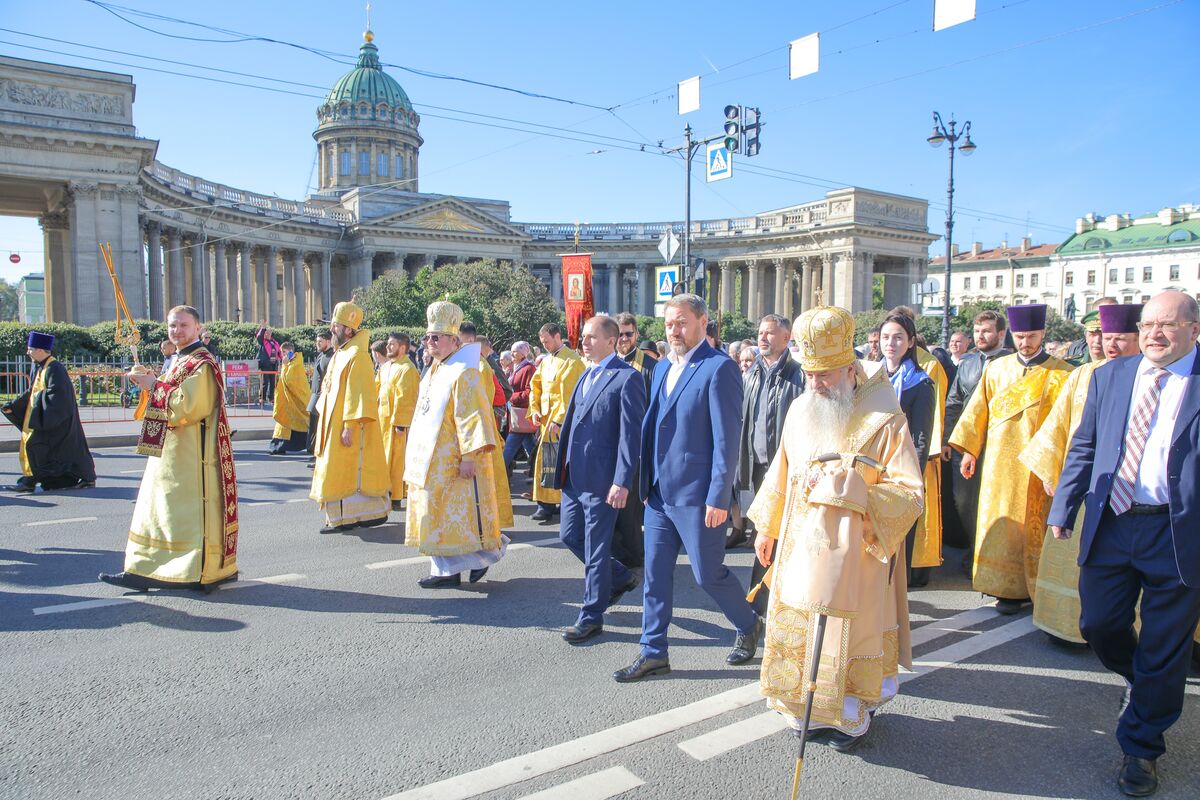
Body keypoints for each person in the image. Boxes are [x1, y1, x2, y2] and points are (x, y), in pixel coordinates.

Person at [746, 305, 924, 751]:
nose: (815, 384)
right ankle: (801, 706)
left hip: (855, 553)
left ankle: (847, 713)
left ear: (849, 367)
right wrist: (766, 529)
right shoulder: (803, 408)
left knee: (846, 633)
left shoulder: (885, 417)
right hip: (797, 548)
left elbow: (909, 492)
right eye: (810, 374)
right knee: (803, 626)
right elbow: (779, 474)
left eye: (825, 374)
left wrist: (858, 496)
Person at [1048, 291, 1200, 798]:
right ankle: (1147, 688)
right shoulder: (1111, 375)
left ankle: (1141, 747)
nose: (1156, 333)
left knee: (1164, 645)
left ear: (1194, 329)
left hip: (1177, 532)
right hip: (1113, 521)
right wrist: (1063, 508)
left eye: (1169, 325)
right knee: (1099, 623)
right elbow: (1085, 443)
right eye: (1149, 323)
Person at [613, 294, 761, 683]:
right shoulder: (661, 368)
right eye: (668, 324)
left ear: (702, 322)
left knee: (706, 574)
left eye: (681, 322)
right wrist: (645, 481)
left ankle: (748, 622)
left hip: (698, 496)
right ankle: (653, 651)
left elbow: (726, 440)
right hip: (659, 494)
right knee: (655, 575)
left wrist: (718, 497)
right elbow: (653, 424)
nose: (674, 330)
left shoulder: (720, 369)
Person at [1019, 303, 1142, 647]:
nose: (1109, 344)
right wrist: (1053, 473)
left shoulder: (1153, 376)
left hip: (1136, 490)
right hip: (1087, 487)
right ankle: (1066, 627)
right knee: (1076, 559)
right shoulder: (1083, 375)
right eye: (1104, 336)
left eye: (1118, 337)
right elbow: (1062, 429)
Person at [99, 305, 238, 591]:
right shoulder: (178, 359)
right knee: (157, 510)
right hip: (168, 453)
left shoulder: (202, 363)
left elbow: (190, 407)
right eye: (172, 326)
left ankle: (194, 571)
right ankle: (143, 567)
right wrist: (151, 382)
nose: (177, 331)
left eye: (183, 325)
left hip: (191, 458)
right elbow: (168, 395)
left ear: (198, 328)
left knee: (179, 515)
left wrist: (155, 386)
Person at [948, 304, 1072, 613]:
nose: (1025, 342)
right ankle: (1003, 587)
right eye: (1020, 336)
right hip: (999, 466)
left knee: (1036, 526)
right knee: (1001, 525)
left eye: (1031, 336)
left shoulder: (1063, 373)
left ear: (1043, 334)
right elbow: (977, 412)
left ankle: (1036, 586)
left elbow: (1068, 423)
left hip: (1039, 465)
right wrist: (969, 451)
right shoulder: (996, 369)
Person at [554, 315, 647, 642]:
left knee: (595, 549)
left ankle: (591, 614)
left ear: (611, 341)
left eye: (592, 337)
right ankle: (619, 575)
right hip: (574, 478)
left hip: (603, 480)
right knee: (569, 536)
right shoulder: (586, 374)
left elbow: (629, 436)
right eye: (584, 336)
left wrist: (622, 480)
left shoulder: (627, 379)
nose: (584, 342)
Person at [404, 300, 508, 587]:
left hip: (454, 460)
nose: (429, 342)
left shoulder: (464, 371)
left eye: (435, 338)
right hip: (431, 459)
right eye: (427, 338)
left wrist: (470, 456)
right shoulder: (435, 369)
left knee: (458, 517)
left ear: (453, 340)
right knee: (436, 515)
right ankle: (446, 570)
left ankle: (466, 564)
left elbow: (471, 414)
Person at [736, 314, 805, 605]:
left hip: (786, 469)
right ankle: (766, 599)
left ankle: (760, 601)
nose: (763, 338)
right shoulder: (751, 374)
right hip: (756, 467)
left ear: (787, 339)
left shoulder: (800, 375)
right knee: (762, 534)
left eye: (770, 334)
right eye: (761, 332)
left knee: (778, 535)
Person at [309, 302, 390, 533]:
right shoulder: (341, 353)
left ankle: (356, 516)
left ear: (348, 329)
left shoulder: (358, 356)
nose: (331, 330)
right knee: (336, 470)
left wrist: (350, 426)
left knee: (349, 471)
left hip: (347, 427)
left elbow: (358, 393)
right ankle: (340, 516)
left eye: (335, 326)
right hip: (331, 423)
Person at [941, 310, 1013, 562]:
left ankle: (991, 555)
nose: (981, 336)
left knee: (994, 498)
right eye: (977, 331)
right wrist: (948, 438)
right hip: (965, 443)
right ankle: (974, 549)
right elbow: (954, 402)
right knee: (964, 501)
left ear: (1001, 333)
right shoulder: (968, 363)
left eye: (987, 331)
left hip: (998, 443)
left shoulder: (1012, 363)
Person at [879, 314, 936, 587]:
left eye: (899, 337)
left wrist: (913, 477)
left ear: (911, 341)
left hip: (900, 471)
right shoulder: (870, 377)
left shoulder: (921, 384)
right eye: (886, 337)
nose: (891, 343)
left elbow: (921, 436)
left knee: (898, 541)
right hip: (873, 468)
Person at [2, 331, 96, 492]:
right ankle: (31, 480)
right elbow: (32, 392)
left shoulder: (55, 368)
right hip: (44, 417)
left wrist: (39, 411)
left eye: (30, 349)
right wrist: (14, 406)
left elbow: (58, 396)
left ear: (40, 350)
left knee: (38, 447)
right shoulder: (39, 367)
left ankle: (30, 481)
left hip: (55, 420)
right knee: (45, 450)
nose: (28, 352)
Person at [612, 313, 656, 570]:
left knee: (630, 506)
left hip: (639, 445)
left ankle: (633, 556)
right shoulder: (608, 364)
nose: (624, 339)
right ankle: (619, 551)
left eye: (628, 334)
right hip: (613, 446)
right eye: (619, 334)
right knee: (615, 503)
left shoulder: (650, 367)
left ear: (636, 335)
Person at [529, 322, 585, 523]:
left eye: (547, 341)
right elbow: (535, 386)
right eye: (542, 342)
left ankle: (562, 503)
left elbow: (570, 395)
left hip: (561, 422)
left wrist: (560, 420)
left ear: (557, 336)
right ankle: (544, 504)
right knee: (544, 463)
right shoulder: (545, 362)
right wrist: (534, 409)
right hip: (545, 420)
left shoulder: (573, 361)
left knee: (559, 462)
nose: (544, 345)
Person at [377, 333, 419, 511]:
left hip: (396, 424)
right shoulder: (386, 367)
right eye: (388, 344)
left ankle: (395, 495)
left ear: (402, 348)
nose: (388, 347)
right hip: (381, 420)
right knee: (383, 459)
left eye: (392, 345)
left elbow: (405, 398)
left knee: (396, 460)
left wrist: (400, 424)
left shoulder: (407, 369)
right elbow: (376, 389)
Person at [268, 341, 311, 455]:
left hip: (296, 400)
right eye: (281, 352)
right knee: (284, 422)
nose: (282, 355)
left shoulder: (295, 363)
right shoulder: (290, 363)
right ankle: (279, 446)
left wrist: (284, 365)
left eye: (284, 352)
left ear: (291, 352)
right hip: (287, 400)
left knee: (297, 421)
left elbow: (289, 380)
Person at [503, 341, 538, 473]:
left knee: (509, 449)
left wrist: (511, 397)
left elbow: (530, 392)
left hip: (522, 413)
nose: (512, 353)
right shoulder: (515, 367)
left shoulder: (529, 368)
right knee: (531, 446)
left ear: (523, 353)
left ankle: (499, 475)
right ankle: (538, 474)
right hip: (518, 415)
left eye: (515, 351)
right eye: (511, 351)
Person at [306, 331, 333, 463]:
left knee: (318, 426)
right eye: (317, 342)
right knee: (313, 425)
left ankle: (317, 453)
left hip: (322, 395)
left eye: (320, 342)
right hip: (315, 395)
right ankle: (313, 450)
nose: (317, 344)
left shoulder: (332, 356)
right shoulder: (321, 355)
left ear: (328, 342)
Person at [1066, 296, 1117, 364]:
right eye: (1092, 334)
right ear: (1086, 335)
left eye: (1103, 335)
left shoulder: (1125, 364)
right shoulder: (1072, 365)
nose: (1097, 340)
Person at [255, 322, 281, 403]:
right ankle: (262, 398)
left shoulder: (275, 342)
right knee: (264, 382)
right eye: (266, 333)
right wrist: (262, 328)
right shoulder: (263, 342)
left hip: (273, 365)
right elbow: (259, 337)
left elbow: (279, 352)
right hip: (265, 365)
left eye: (269, 333)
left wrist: (281, 359)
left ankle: (271, 398)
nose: (267, 334)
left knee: (273, 382)